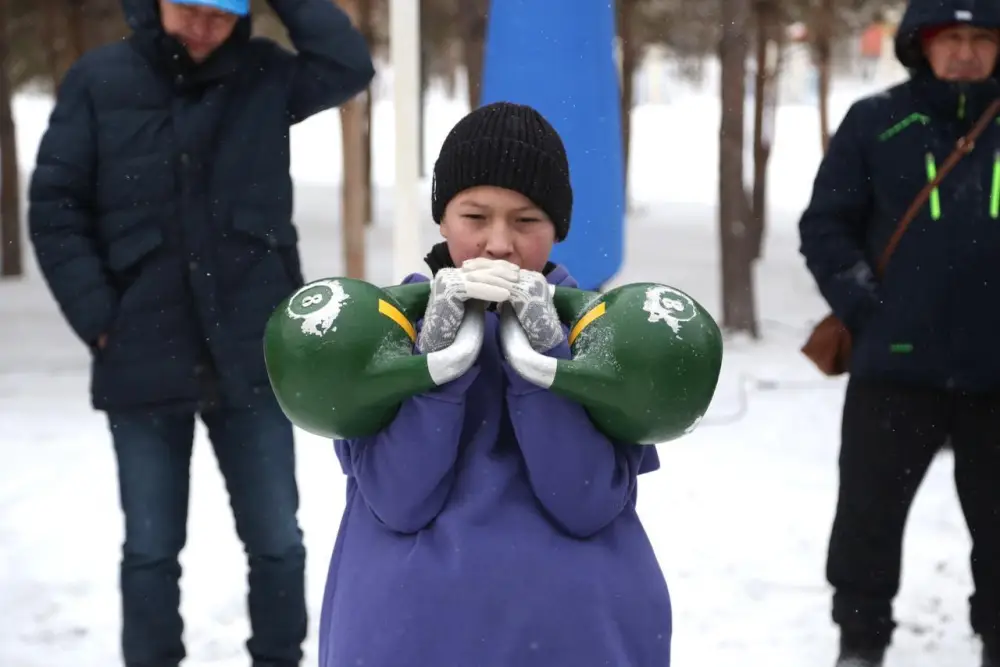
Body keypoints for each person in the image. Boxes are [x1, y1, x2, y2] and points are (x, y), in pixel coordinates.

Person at [27, 0, 374, 665]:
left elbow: (347, 65)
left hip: (252, 351)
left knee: (277, 539)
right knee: (152, 549)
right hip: (141, 353)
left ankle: (280, 657)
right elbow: (56, 206)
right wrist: (101, 316)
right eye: (189, 8)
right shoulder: (99, 81)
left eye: (220, 14)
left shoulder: (266, 75)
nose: (202, 28)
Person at [317, 102, 672, 667]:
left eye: (527, 221)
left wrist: (547, 354)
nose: (499, 244)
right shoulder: (381, 332)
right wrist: (431, 363)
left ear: (558, 227)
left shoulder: (605, 337)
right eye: (474, 217)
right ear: (442, 217)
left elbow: (584, 501)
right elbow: (397, 501)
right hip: (414, 638)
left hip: (569, 639)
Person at [798, 1, 1000, 666]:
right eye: (952, 38)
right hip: (895, 372)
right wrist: (866, 306)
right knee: (867, 524)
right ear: (922, 44)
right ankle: (860, 643)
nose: (966, 52)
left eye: (981, 38)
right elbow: (826, 225)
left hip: (996, 376)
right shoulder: (877, 122)